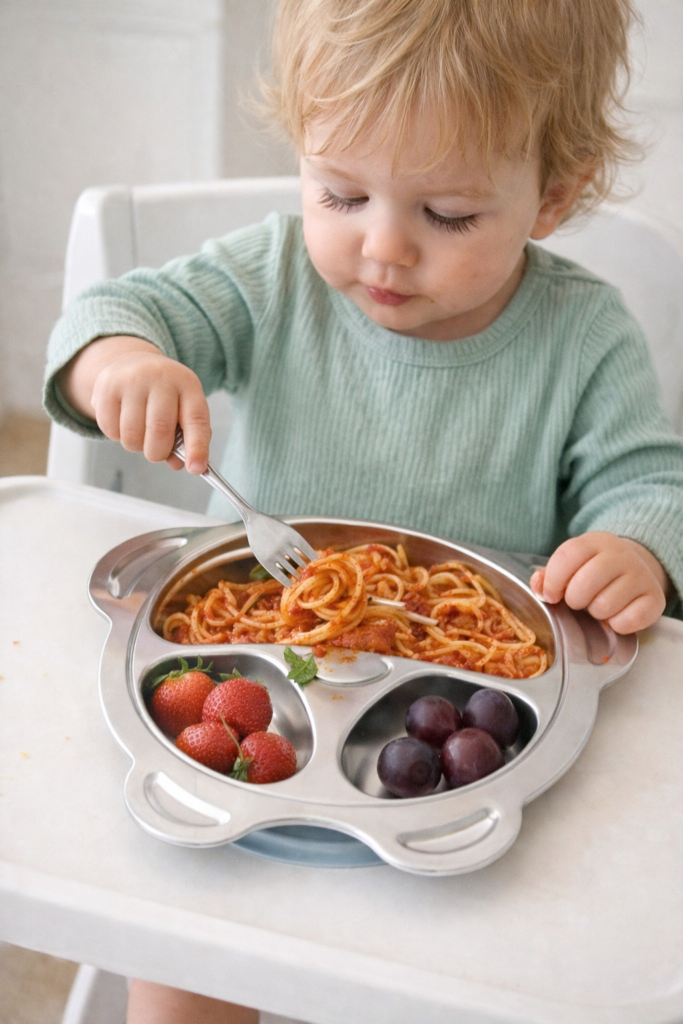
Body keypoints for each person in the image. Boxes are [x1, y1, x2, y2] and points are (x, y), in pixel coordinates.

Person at [44, 0, 683, 1019]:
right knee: (181, 947)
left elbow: (647, 484)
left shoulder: (581, 337)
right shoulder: (269, 278)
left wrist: (632, 547)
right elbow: (111, 316)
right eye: (340, 193)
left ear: (551, 194)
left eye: (447, 216)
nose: (382, 250)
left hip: (464, 775)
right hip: (256, 740)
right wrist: (120, 360)